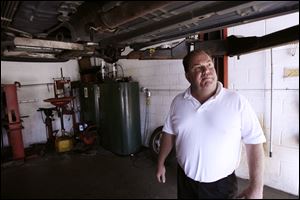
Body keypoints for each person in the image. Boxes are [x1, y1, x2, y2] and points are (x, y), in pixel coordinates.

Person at [156, 50, 266, 199]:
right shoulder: (178, 102)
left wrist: (256, 187)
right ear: (188, 76)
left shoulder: (236, 101)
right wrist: (160, 163)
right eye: (197, 67)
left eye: (209, 65)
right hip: (186, 182)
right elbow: (168, 133)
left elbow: (254, 143)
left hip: (222, 187)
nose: (206, 71)